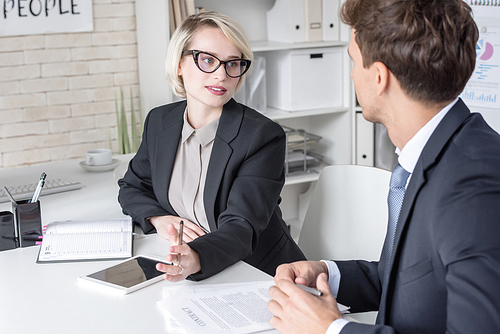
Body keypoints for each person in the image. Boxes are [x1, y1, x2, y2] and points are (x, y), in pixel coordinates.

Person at [268, 0, 500, 333]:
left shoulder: (474, 184)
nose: (350, 73)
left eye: (353, 60)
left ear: (378, 77)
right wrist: (325, 273)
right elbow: (407, 280)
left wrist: (332, 330)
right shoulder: (433, 153)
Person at [118, 11, 305, 282]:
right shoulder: (160, 121)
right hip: (188, 267)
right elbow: (133, 187)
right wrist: (158, 219)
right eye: (207, 60)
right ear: (179, 63)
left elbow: (242, 226)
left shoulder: (262, 136)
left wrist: (195, 257)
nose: (221, 75)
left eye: (233, 63)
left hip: (259, 273)